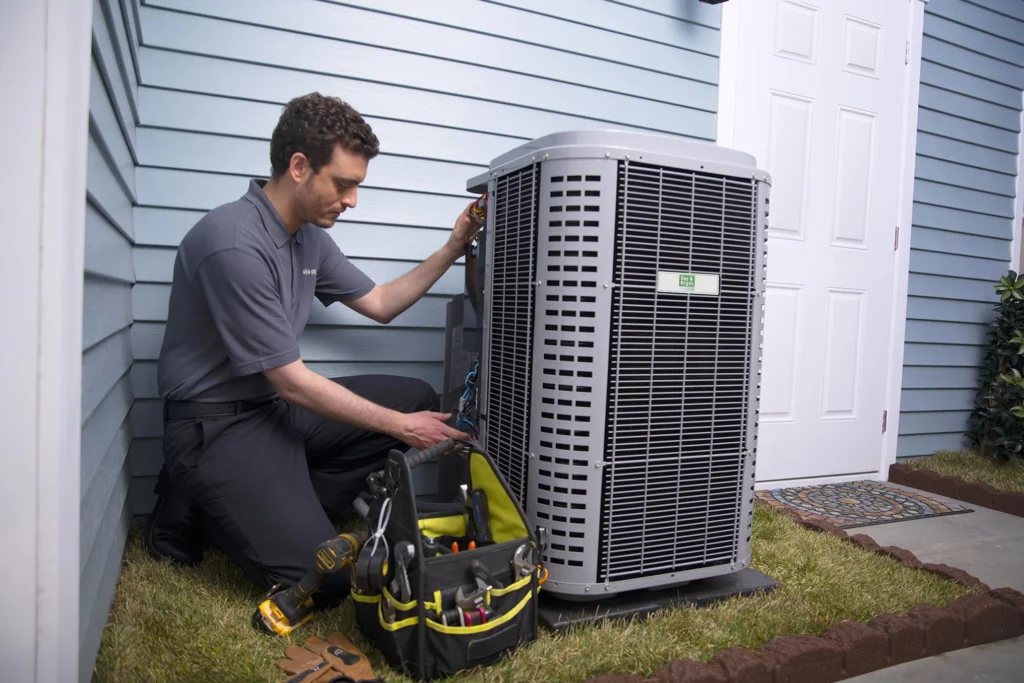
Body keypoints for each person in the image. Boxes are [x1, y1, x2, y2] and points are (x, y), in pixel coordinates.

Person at [144, 92, 479, 606]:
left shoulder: (309, 239)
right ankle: (202, 502)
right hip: (213, 425)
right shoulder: (232, 242)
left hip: (272, 409)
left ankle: (275, 495)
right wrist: (402, 427)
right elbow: (291, 380)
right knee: (330, 580)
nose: (352, 201)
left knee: (414, 396)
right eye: (344, 184)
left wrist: (454, 246)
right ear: (299, 166)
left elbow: (383, 302)